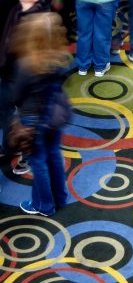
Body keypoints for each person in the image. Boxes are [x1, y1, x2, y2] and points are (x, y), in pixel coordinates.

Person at [10, 13, 71, 216]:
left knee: (38, 163)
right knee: (54, 155)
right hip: (55, 116)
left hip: (32, 120)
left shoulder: (26, 64)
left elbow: (16, 95)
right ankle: (60, 197)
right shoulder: (61, 59)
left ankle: (43, 205)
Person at [0, 0, 51, 175]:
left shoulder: (37, 22)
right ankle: (9, 147)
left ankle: (29, 157)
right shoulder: (15, 5)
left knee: (27, 122)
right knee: (4, 113)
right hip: (7, 74)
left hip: (27, 82)